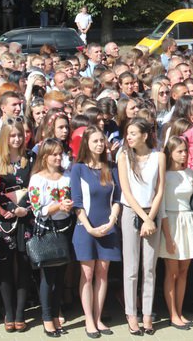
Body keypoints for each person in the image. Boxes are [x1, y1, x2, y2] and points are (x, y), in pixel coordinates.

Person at [71, 127, 122, 337]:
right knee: (88, 273)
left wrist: (112, 221)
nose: (100, 144)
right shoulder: (78, 169)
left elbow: (118, 198)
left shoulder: (112, 167)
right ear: (86, 144)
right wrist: (90, 228)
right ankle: (89, 320)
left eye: (102, 140)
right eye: (95, 141)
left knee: (103, 273)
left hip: (108, 227)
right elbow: (77, 203)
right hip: (86, 228)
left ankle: (99, 318)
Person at [117, 117, 165, 335]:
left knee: (149, 268)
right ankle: (131, 313)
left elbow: (160, 189)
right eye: (128, 133)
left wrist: (150, 217)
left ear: (145, 135)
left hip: (152, 212)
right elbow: (125, 191)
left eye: (134, 133)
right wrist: (143, 218)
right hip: (131, 213)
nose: (129, 137)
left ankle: (147, 314)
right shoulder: (123, 157)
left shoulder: (159, 157)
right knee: (131, 267)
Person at [0, 120, 35, 332]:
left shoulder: (31, 157)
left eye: (20, 135)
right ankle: (8, 312)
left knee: (24, 264)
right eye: (13, 135)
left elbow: (35, 185)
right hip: (3, 217)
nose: (17, 139)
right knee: (5, 266)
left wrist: (23, 207)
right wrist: (9, 205)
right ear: (5, 137)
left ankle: (20, 313)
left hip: (26, 215)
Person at [28, 138, 73, 337]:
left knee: (60, 276)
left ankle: (56, 315)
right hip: (47, 230)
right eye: (53, 154)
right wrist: (57, 206)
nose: (57, 157)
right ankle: (47, 319)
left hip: (65, 228)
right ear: (44, 157)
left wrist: (68, 207)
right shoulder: (37, 179)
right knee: (48, 278)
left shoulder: (67, 177)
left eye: (60, 153)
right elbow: (37, 209)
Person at [159, 136, 193, 330]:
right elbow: (162, 207)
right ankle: (172, 314)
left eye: (185, 150)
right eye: (179, 151)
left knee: (184, 271)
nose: (184, 154)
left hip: (188, 222)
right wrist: (167, 237)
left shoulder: (190, 174)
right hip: (171, 222)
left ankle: (180, 311)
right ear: (170, 153)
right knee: (172, 272)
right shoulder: (164, 175)